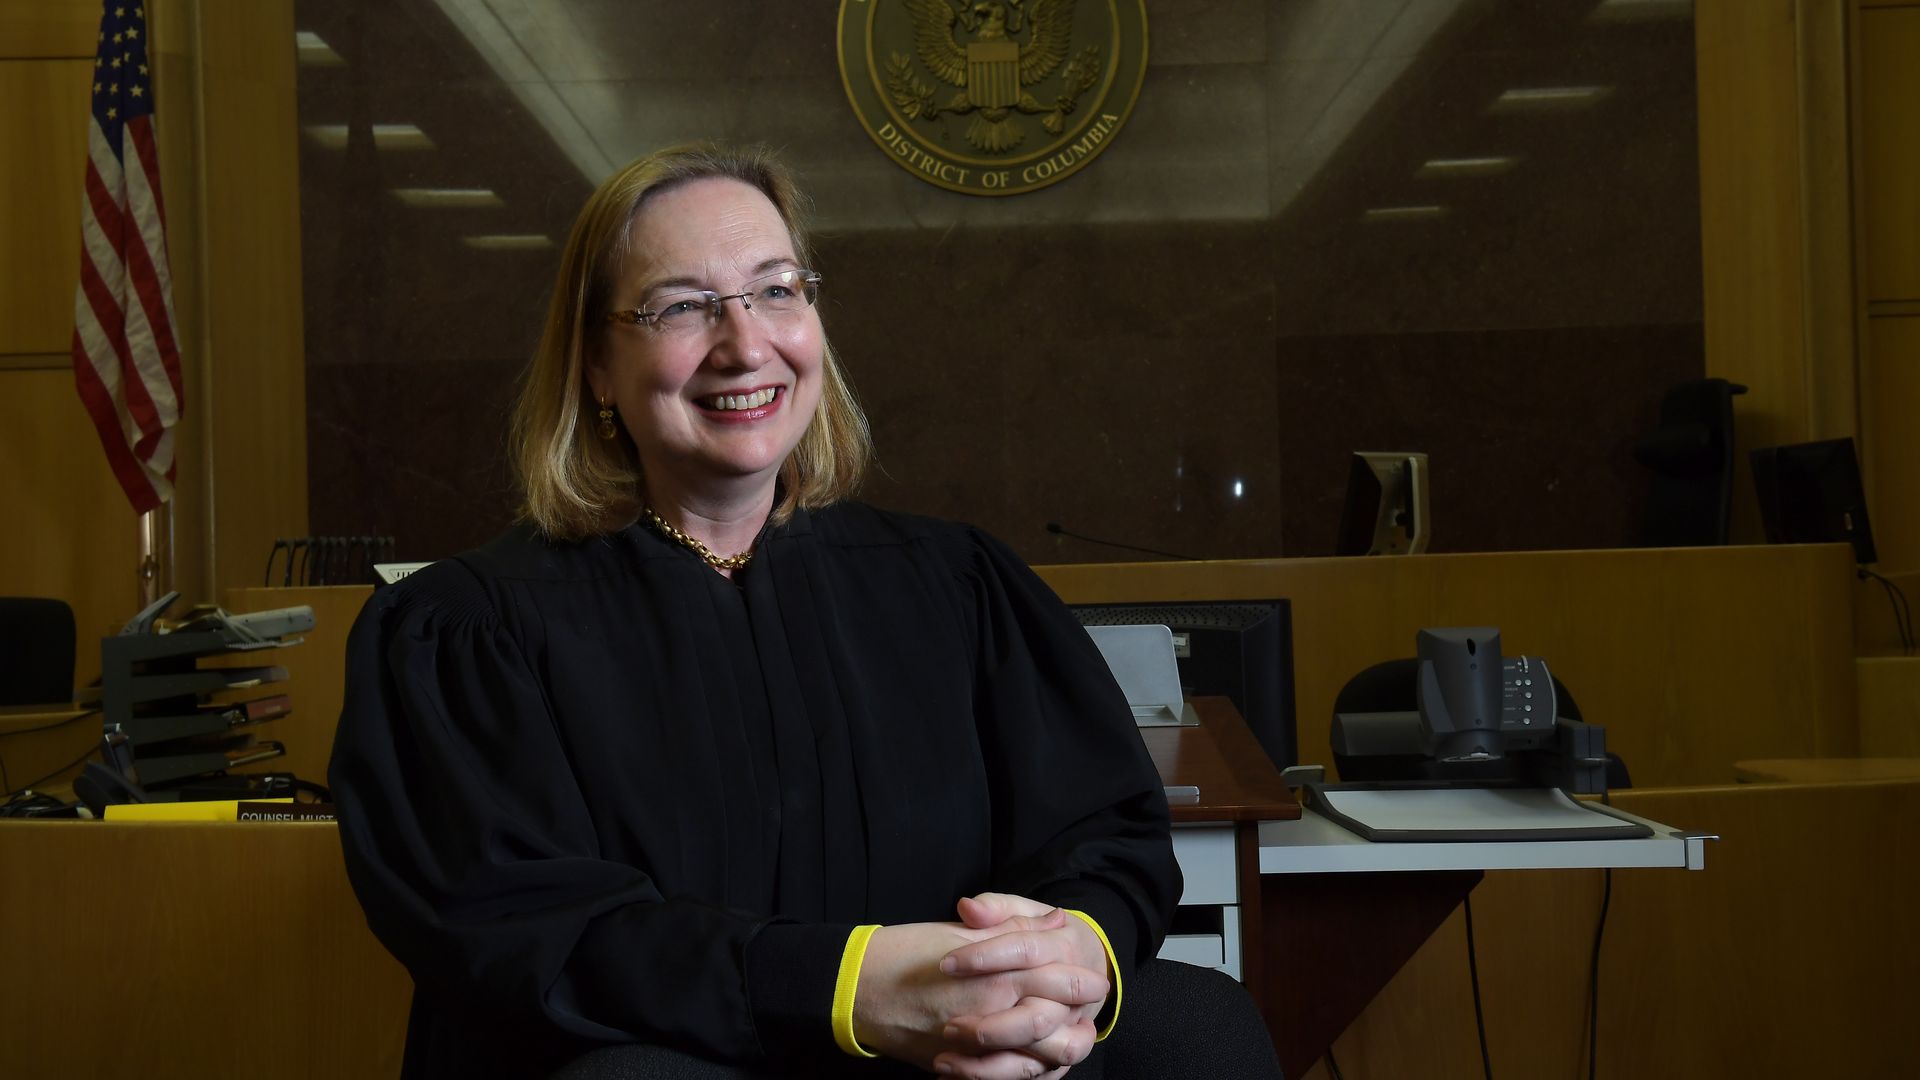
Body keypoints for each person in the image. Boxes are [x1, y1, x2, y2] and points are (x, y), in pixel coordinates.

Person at [329, 142, 1281, 1079]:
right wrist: (847, 986)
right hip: (673, 1060)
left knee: (1196, 1027)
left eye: (777, 290)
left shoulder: (954, 584)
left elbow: (1102, 832)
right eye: (682, 306)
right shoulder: (469, 632)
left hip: (948, 1064)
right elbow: (526, 930)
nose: (746, 345)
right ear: (597, 366)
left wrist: (1063, 960)